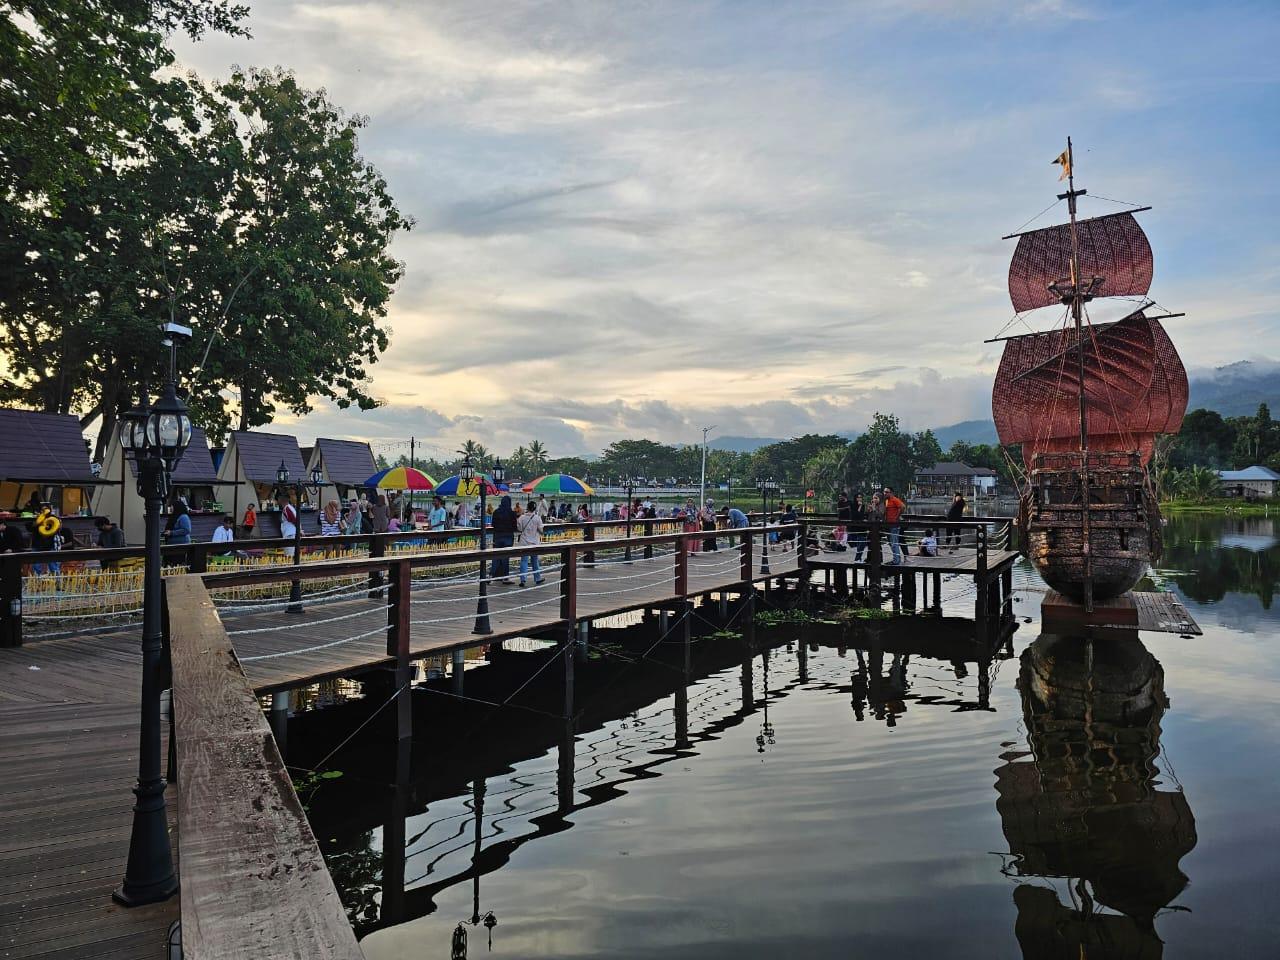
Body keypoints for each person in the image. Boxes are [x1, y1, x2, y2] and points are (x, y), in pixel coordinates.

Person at [516, 499, 545, 586]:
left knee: (524, 561)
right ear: (535, 509)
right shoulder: (537, 518)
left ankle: (523, 579)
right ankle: (537, 578)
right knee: (535, 561)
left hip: (524, 542)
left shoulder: (521, 518)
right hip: (534, 543)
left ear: (527, 508)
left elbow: (519, 529)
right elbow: (541, 531)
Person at [490, 495, 517, 583]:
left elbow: (493, 524)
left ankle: (490, 576)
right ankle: (505, 577)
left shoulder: (496, 512)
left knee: (496, 557)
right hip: (508, 537)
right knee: (506, 558)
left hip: (497, 536)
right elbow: (514, 526)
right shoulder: (512, 513)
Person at [882, 486, 906, 565]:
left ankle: (896, 561)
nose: (885, 493)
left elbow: (902, 507)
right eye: (884, 492)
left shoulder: (894, 499)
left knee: (894, 543)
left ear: (891, 493)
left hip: (894, 525)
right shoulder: (887, 501)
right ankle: (896, 559)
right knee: (891, 543)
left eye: (887, 492)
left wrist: (897, 517)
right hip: (888, 525)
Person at [850, 493, 868, 562]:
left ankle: (858, 558)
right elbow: (855, 515)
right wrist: (859, 507)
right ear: (855, 498)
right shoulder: (852, 505)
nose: (859, 499)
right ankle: (858, 558)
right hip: (854, 527)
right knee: (859, 543)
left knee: (862, 543)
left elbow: (861, 515)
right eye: (858, 497)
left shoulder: (863, 505)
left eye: (861, 497)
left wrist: (861, 506)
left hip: (862, 526)